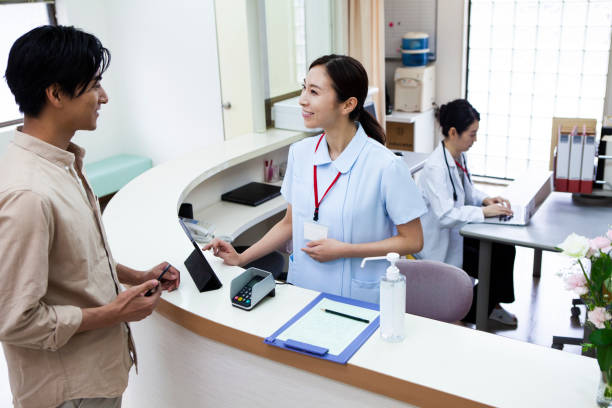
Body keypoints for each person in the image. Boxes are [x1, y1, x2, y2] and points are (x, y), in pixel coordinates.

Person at [0, 25, 180, 408]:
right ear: (56, 94)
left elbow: (73, 259)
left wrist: (136, 276)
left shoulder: (61, 164)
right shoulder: (28, 194)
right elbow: (13, 320)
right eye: (95, 85)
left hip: (93, 376)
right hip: (68, 391)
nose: (105, 97)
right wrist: (113, 313)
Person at [204, 54, 426, 304]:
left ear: (347, 104)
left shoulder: (386, 166)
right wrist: (241, 258)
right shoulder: (300, 153)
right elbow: (289, 224)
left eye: (314, 92)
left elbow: (413, 240)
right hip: (303, 290)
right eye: (304, 88)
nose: (302, 100)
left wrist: (345, 250)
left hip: (356, 297)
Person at [415, 99, 518, 326]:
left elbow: (466, 191)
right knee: (494, 259)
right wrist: (484, 213)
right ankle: (474, 314)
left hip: (458, 235)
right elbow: (445, 215)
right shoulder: (435, 168)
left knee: (504, 249)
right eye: (472, 134)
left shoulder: (457, 155)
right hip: (439, 246)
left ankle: (490, 305)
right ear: (453, 132)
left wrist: (484, 199)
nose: (475, 140)